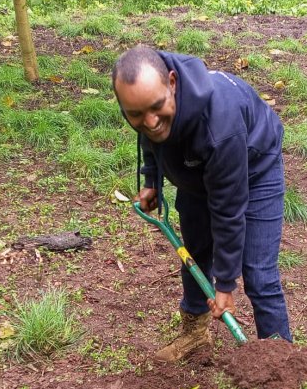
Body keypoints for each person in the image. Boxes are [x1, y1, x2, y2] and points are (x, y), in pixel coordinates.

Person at [111, 46, 292, 362]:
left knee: (259, 273)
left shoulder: (218, 124)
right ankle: (195, 334)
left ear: (172, 82)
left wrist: (225, 283)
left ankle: (282, 364)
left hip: (254, 165)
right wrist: (151, 179)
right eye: (135, 113)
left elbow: (229, 210)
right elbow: (150, 137)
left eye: (156, 107)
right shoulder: (148, 106)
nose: (150, 121)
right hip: (197, 168)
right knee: (194, 253)